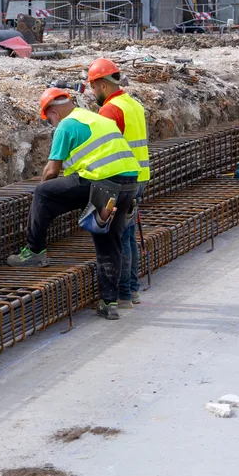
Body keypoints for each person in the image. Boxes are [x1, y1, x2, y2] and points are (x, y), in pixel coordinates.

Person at [7, 87, 140, 320]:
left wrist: (42, 196)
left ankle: (35, 251)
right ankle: (109, 302)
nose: (51, 123)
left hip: (101, 183)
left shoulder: (66, 125)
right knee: (108, 241)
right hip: (129, 185)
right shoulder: (94, 118)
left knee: (43, 193)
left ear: (54, 112)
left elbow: (52, 170)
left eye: (49, 119)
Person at [87, 58, 150, 309]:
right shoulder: (133, 104)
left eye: (94, 88)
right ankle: (131, 291)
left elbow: (104, 149)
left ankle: (123, 295)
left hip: (122, 180)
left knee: (119, 238)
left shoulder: (110, 110)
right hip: (140, 176)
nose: (93, 93)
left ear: (103, 85)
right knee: (129, 236)